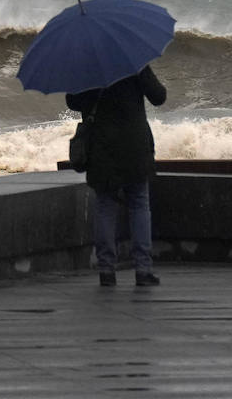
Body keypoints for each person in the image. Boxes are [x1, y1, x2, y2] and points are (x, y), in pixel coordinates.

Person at [66, 65, 166, 287]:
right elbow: (159, 96)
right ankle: (143, 269)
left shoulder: (86, 65)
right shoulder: (134, 61)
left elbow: (72, 102)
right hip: (134, 145)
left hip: (101, 147)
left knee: (105, 205)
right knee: (139, 203)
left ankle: (106, 270)